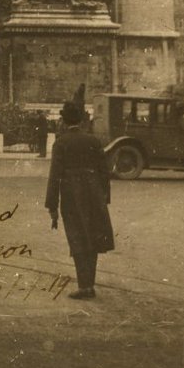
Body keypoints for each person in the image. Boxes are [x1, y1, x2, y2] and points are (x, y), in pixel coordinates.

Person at [45, 101, 114, 299]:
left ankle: (84, 287)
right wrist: (104, 197)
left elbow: (54, 176)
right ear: (82, 120)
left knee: (77, 238)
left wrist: (52, 205)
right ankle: (88, 285)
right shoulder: (93, 141)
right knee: (92, 238)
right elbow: (104, 171)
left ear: (64, 121)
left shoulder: (61, 143)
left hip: (72, 194)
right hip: (94, 194)